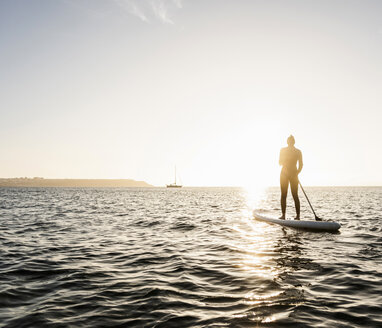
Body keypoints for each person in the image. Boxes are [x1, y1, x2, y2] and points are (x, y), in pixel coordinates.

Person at [279, 135, 303, 220]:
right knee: (285, 195)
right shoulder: (295, 151)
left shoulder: (297, 151)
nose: (290, 143)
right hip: (286, 174)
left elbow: (301, 165)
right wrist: (296, 172)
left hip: (291, 174)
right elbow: (280, 162)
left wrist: (296, 173)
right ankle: (284, 215)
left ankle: (297, 216)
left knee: (293, 195)